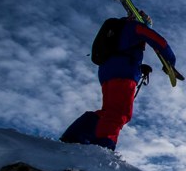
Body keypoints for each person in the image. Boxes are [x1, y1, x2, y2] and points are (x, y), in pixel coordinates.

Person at [61, 12, 177, 150]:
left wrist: (139, 70)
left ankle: (75, 135)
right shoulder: (135, 27)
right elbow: (159, 41)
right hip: (123, 74)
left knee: (108, 111)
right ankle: (102, 149)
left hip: (107, 74)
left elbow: (121, 53)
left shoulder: (118, 31)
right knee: (119, 112)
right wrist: (170, 61)